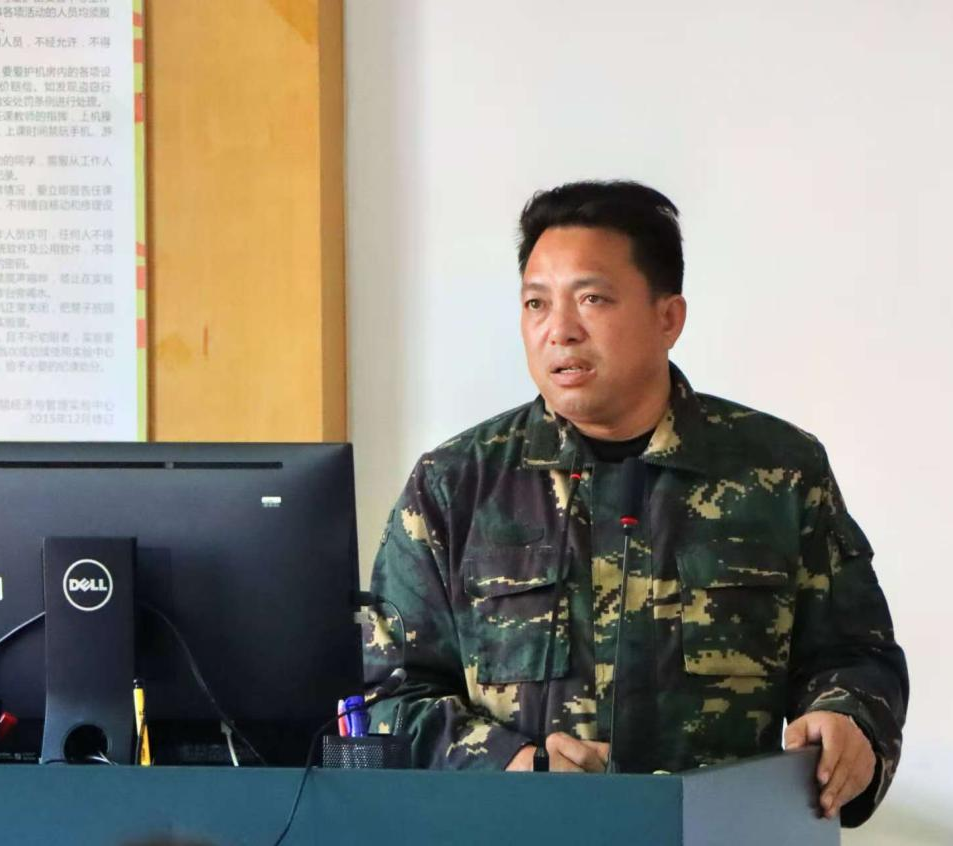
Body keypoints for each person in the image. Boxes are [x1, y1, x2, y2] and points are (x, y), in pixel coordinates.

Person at [364, 180, 908, 826]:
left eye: (591, 299)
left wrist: (848, 718)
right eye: (536, 304)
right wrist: (509, 763)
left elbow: (856, 655)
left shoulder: (778, 472)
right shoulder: (456, 486)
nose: (559, 331)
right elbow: (382, 697)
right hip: (519, 833)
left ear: (667, 318)